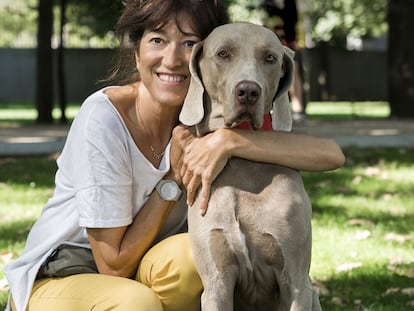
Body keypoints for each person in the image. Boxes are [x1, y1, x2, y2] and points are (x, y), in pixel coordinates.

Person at [4, 1, 345, 310]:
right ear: (136, 52)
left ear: (201, 61)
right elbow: (112, 264)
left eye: (189, 43)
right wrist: (173, 178)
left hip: (143, 270)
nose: (173, 58)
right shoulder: (104, 117)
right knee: (138, 304)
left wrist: (229, 141)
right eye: (157, 40)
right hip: (64, 274)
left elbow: (330, 154)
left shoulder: (203, 118)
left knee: (189, 262)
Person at [263, 0, 307, 123]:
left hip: (288, 43)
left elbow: (295, 22)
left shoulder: (290, 4)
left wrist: (294, 41)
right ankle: (266, 108)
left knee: (294, 73)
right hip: (268, 43)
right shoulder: (266, 4)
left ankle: (298, 110)